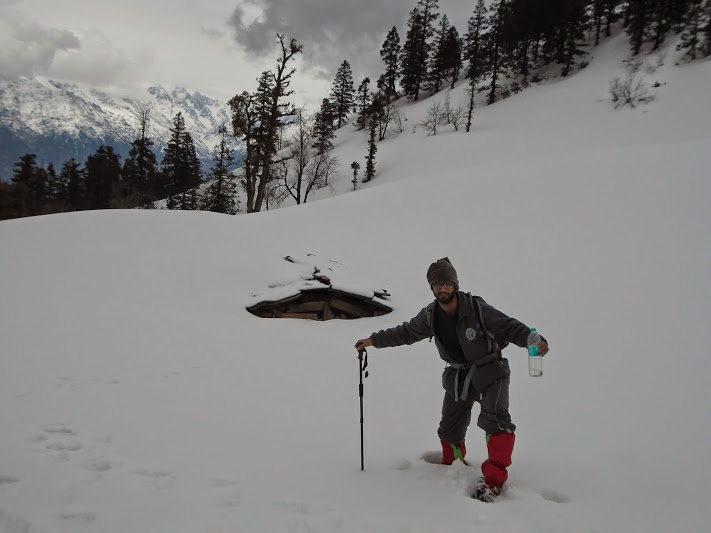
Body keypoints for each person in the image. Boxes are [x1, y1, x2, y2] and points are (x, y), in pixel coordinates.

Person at [354, 257, 548, 502]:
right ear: (432, 288)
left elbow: (508, 326)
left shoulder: (476, 308)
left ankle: (493, 481)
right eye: (437, 285)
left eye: (446, 283)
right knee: (449, 427)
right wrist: (373, 340)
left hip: (490, 370)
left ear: (455, 285)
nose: (442, 289)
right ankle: (453, 465)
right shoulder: (430, 315)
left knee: (497, 421)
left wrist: (534, 340)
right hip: (458, 376)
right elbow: (405, 332)